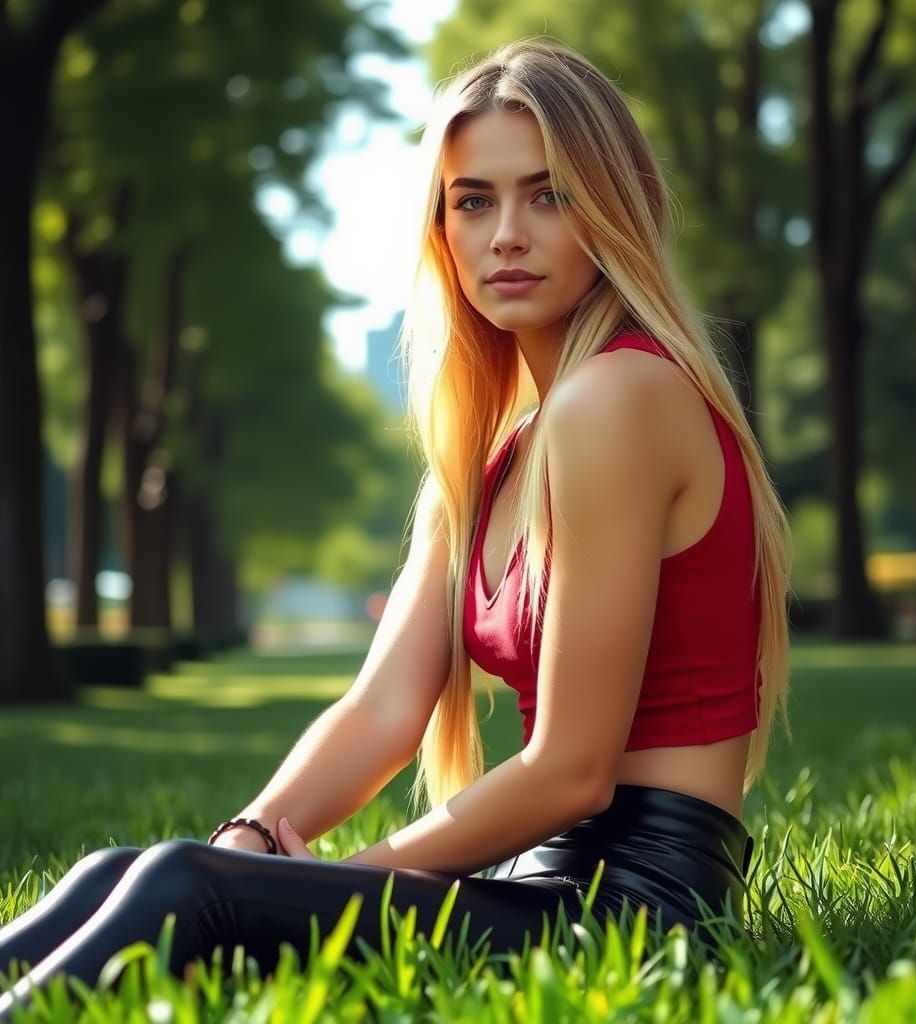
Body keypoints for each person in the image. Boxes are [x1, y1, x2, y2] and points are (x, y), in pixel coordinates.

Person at [0, 37, 791, 1018]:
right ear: (442, 227)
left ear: (614, 209)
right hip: (537, 882)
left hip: (640, 910)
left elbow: (573, 773)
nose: (506, 233)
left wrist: (338, 883)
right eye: (473, 200)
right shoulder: (492, 457)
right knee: (128, 871)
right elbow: (380, 711)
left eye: (548, 195)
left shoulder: (621, 397)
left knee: (182, 889)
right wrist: (253, 836)